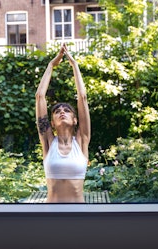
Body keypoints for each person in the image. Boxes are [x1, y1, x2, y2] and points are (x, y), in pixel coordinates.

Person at [35, 43, 91, 203]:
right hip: (51, 216)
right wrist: (51, 64)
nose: (61, 111)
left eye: (67, 110)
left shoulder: (82, 141)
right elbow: (40, 97)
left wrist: (74, 64)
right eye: (57, 111)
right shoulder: (48, 142)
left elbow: (83, 98)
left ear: (75, 120)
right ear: (51, 123)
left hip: (79, 216)